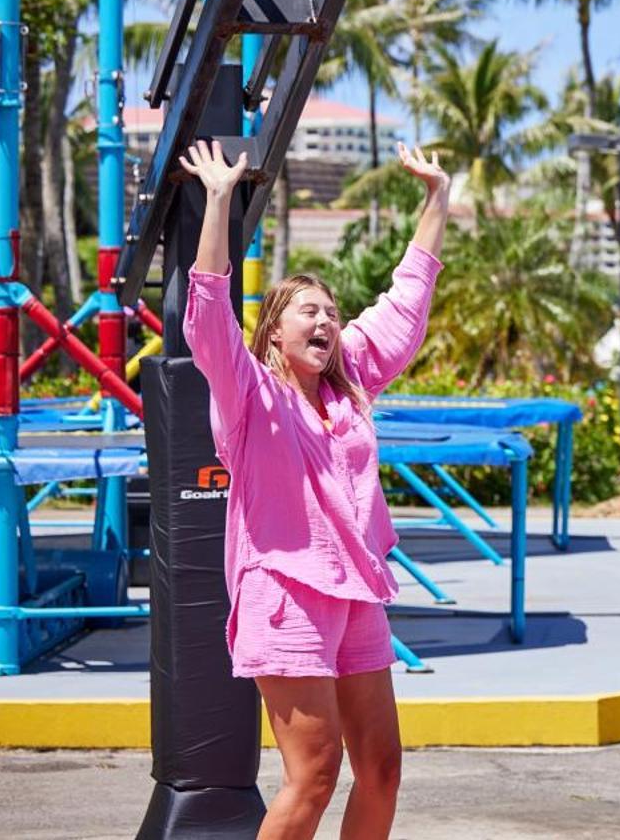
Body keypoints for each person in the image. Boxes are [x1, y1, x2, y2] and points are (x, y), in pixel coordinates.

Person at [179, 138, 451, 840]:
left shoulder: (350, 379)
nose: (327, 320)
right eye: (309, 310)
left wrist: (436, 198)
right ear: (272, 333)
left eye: (331, 310)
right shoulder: (249, 393)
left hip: (355, 592)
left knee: (383, 766)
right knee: (316, 771)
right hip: (286, 592)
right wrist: (217, 200)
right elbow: (208, 316)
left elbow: (405, 299)